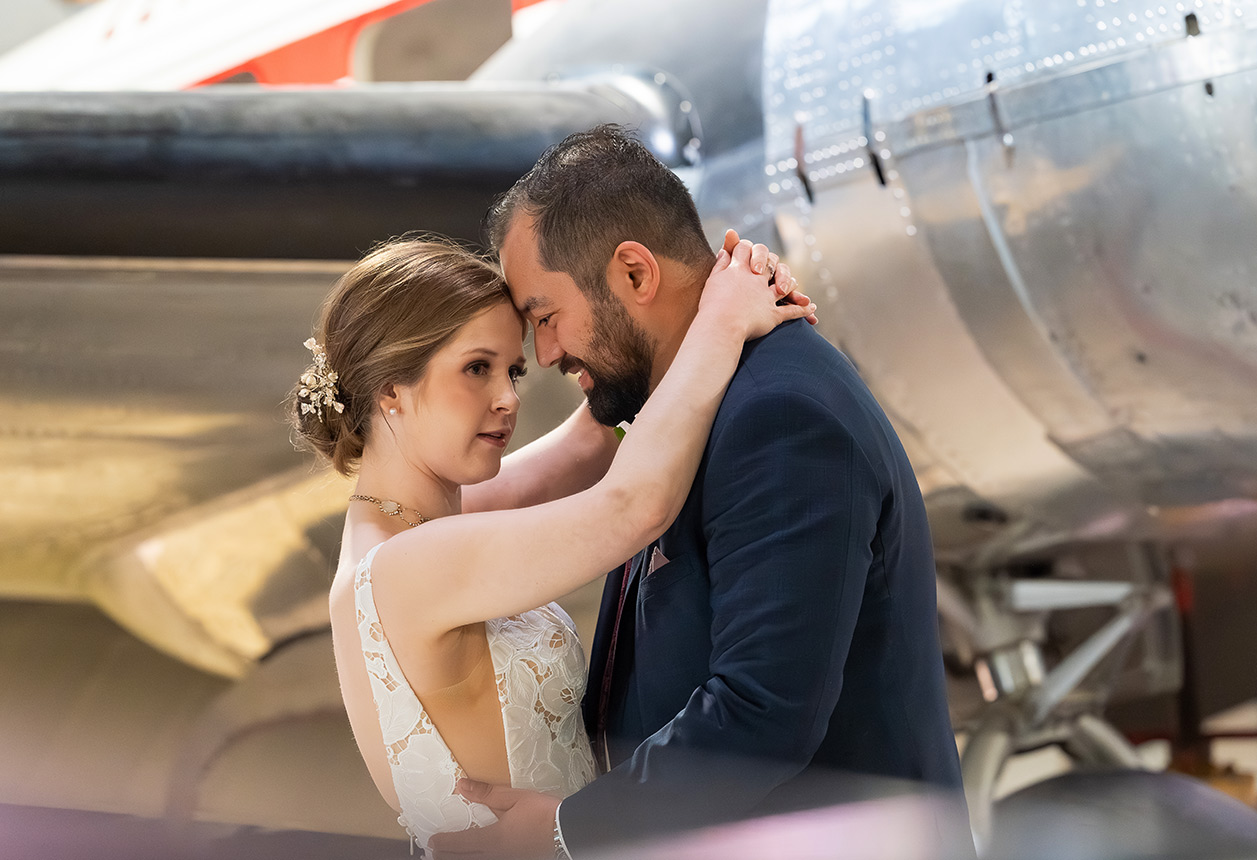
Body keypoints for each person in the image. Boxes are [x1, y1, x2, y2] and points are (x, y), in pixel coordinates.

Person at [429, 125, 968, 859]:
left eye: (545, 318)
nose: (547, 353)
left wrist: (565, 831)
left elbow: (761, 712)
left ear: (633, 274)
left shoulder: (780, 417)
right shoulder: (680, 407)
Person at [290, 236, 812, 855]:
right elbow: (632, 508)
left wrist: (698, 295)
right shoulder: (410, 566)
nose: (510, 398)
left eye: (512, 370)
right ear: (390, 390)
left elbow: (588, 443)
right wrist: (723, 323)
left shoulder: (406, 529)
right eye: (476, 368)